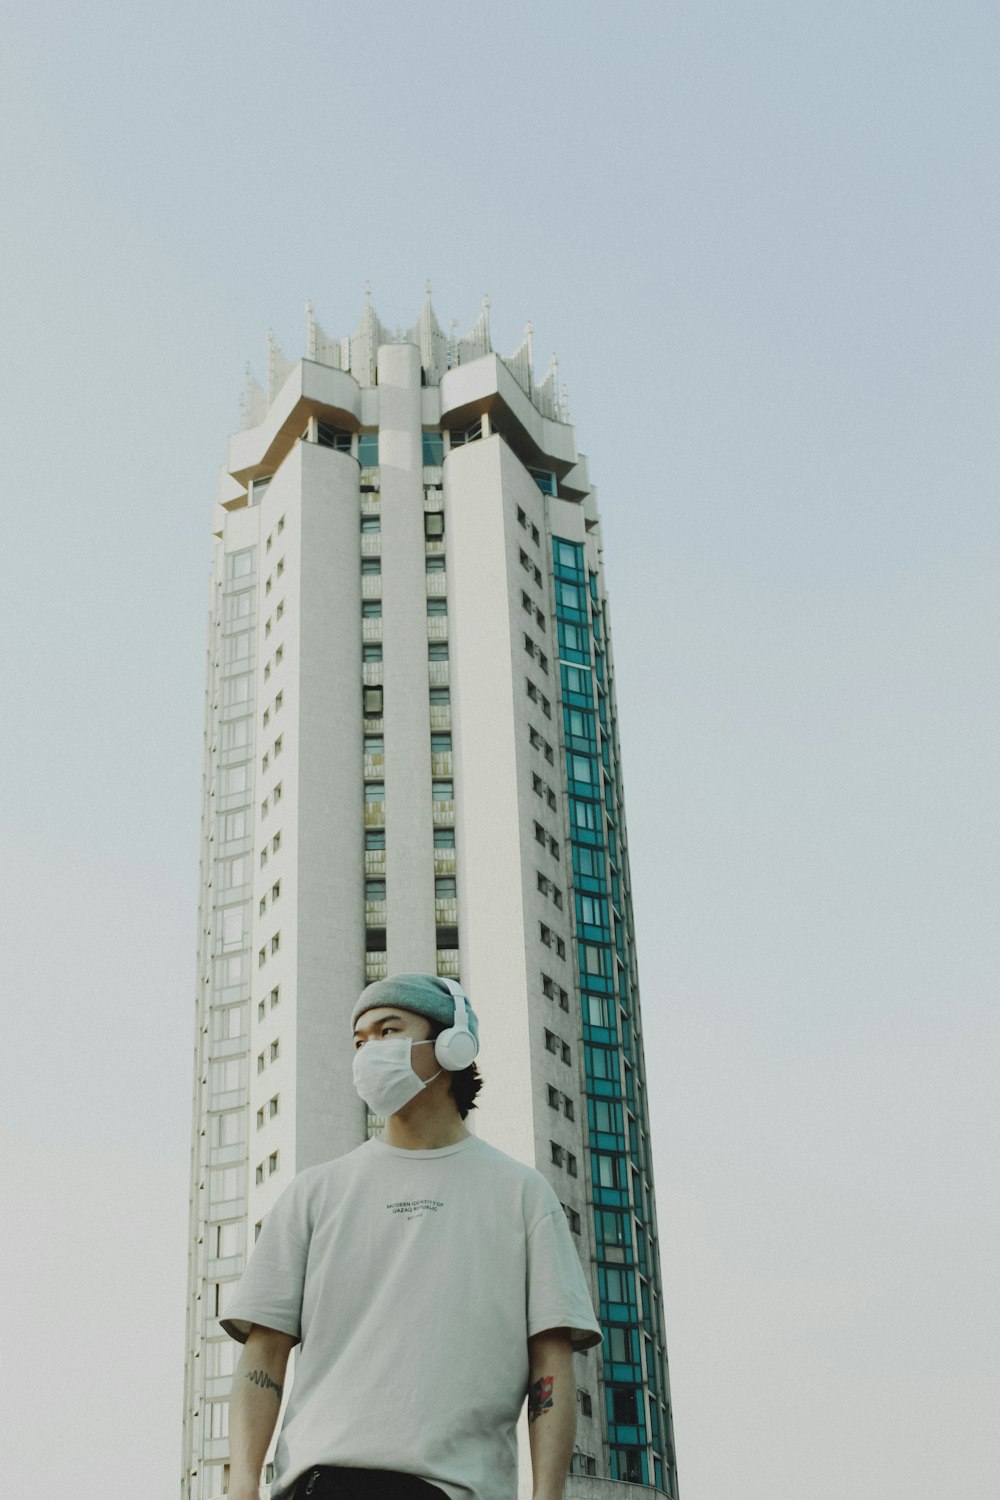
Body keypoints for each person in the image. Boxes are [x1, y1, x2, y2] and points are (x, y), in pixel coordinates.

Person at [222, 972, 602, 1500]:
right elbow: (263, 1353)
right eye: (360, 1041)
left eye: (388, 1031)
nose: (368, 1052)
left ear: (452, 1044)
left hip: (453, 1488)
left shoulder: (521, 1196)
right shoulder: (314, 1193)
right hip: (317, 1483)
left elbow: (551, 1363)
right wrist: (241, 1486)